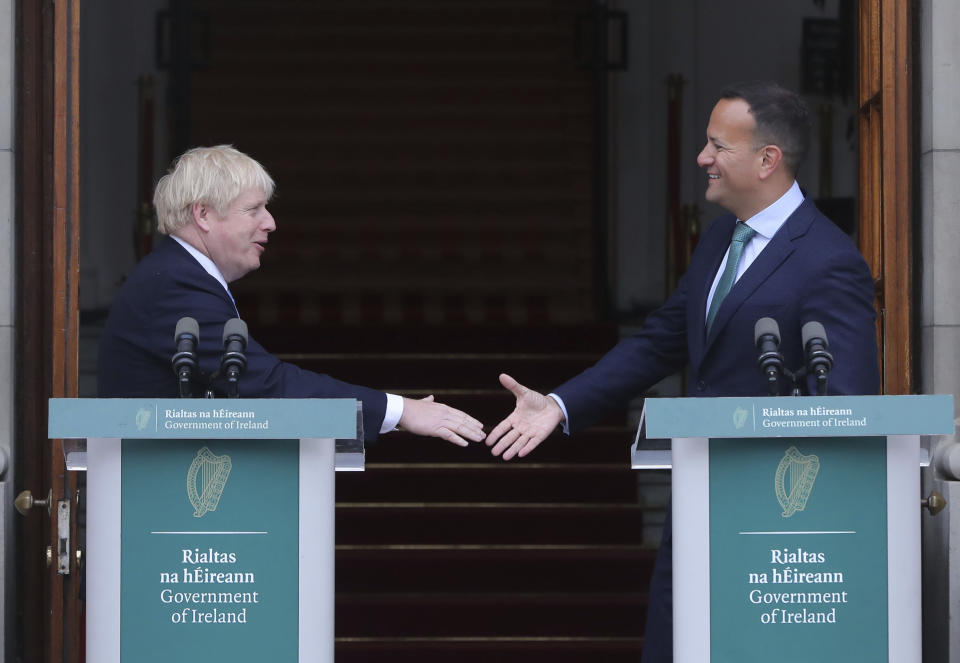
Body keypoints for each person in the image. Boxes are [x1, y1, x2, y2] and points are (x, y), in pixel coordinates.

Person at [485, 81, 880, 662]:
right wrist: (562, 404)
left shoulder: (830, 261)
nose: (702, 159)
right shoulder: (719, 238)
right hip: (698, 494)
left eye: (717, 146)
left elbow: (846, 408)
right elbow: (661, 341)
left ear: (767, 160)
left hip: (774, 527)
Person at [98, 145, 485, 447]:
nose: (271, 223)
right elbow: (266, 386)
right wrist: (400, 411)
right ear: (203, 215)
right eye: (253, 210)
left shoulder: (178, 274)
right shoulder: (175, 285)